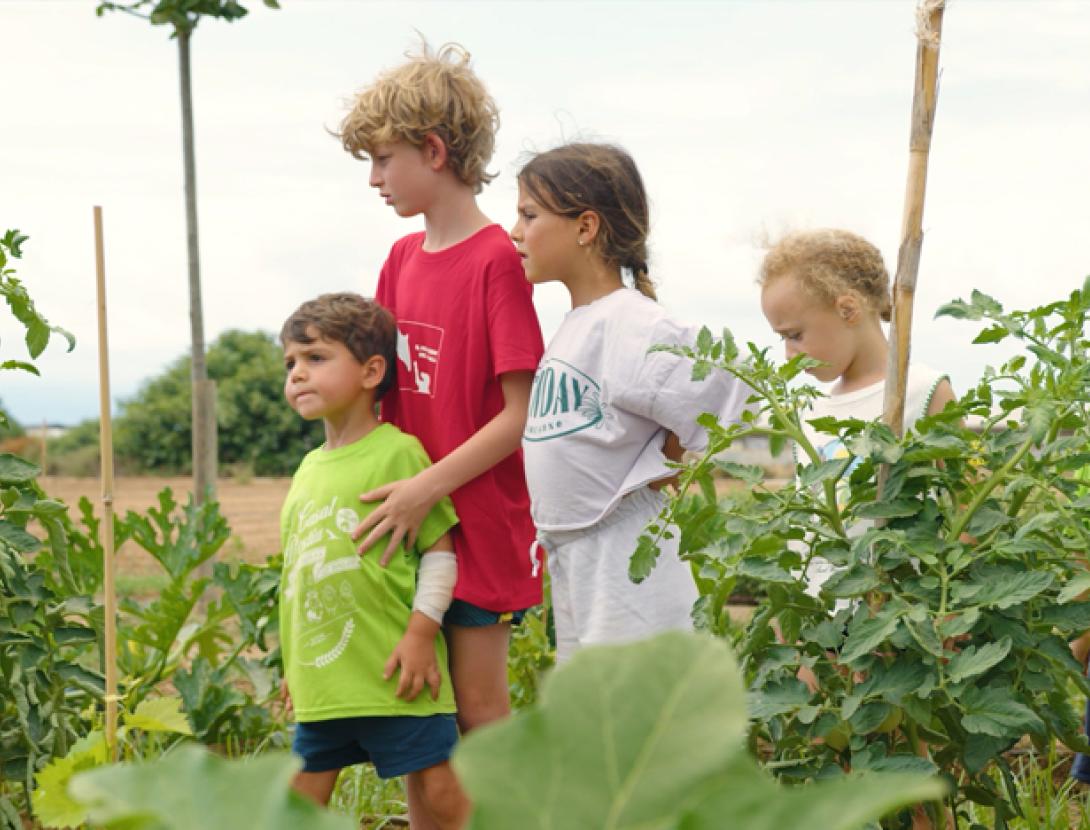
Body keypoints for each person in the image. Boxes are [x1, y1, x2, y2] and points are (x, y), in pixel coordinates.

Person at [338, 44, 544, 739]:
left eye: (381, 159)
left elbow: (520, 416)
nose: (373, 180)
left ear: (432, 150)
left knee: (479, 714)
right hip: (408, 521)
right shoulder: (399, 260)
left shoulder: (496, 261)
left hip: (477, 522)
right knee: (417, 714)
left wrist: (427, 488)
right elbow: (377, 393)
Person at [509, 142, 750, 663]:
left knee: (639, 707)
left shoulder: (633, 323)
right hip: (577, 555)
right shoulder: (578, 323)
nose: (515, 231)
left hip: (622, 551)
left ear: (585, 227)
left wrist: (671, 460)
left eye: (529, 215)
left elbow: (730, 396)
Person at [278, 293, 468, 830]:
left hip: (395, 675)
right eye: (291, 362)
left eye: (316, 358)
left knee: (443, 794)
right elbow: (295, 576)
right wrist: (292, 663)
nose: (297, 373)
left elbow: (439, 552)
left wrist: (419, 633)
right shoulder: (305, 471)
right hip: (324, 679)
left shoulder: (398, 452)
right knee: (295, 806)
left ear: (371, 371)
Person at [759, 228, 955, 597]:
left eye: (795, 335)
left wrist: (954, 607)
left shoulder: (923, 391)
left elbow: (964, 510)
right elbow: (805, 530)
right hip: (824, 627)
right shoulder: (811, 411)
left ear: (847, 308)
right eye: (781, 338)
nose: (788, 353)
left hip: (902, 616)